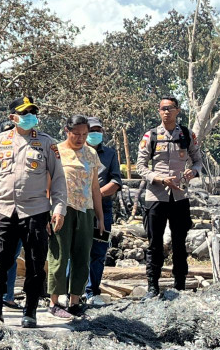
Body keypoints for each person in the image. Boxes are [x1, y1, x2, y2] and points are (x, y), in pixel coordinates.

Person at [0, 97, 67, 327]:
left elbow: (58, 179)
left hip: (36, 211)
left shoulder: (47, 144)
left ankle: (30, 310)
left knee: (36, 263)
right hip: (4, 210)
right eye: (24, 113)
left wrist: (59, 208)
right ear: (13, 118)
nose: (30, 117)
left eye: (32, 113)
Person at [136, 97, 203, 297]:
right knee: (155, 243)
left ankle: (180, 285)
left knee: (179, 242)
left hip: (180, 196)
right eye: (163, 109)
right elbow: (140, 166)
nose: (166, 112)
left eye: (170, 108)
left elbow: (198, 160)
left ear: (177, 110)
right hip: (156, 196)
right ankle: (152, 286)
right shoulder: (151, 135)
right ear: (159, 112)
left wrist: (194, 171)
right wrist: (158, 178)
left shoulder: (187, 134)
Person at [47, 115, 105, 318]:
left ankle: (74, 300)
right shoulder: (56, 151)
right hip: (62, 209)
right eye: (76, 134)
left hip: (86, 210)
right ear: (67, 131)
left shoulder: (91, 153)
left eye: (84, 135)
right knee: (59, 255)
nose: (80, 138)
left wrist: (100, 217)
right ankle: (54, 301)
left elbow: (95, 188)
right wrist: (51, 211)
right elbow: (48, 183)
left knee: (82, 256)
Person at [85, 117, 123, 304]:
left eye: (98, 129)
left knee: (98, 251)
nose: (95, 133)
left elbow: (116, 182)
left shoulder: (109, 154)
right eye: (92, 129)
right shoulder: (75, 152)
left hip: (103, 209)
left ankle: (92, 291)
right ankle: (71, 292)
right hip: (79, 208)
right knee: (75, 251)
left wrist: (96, 195)